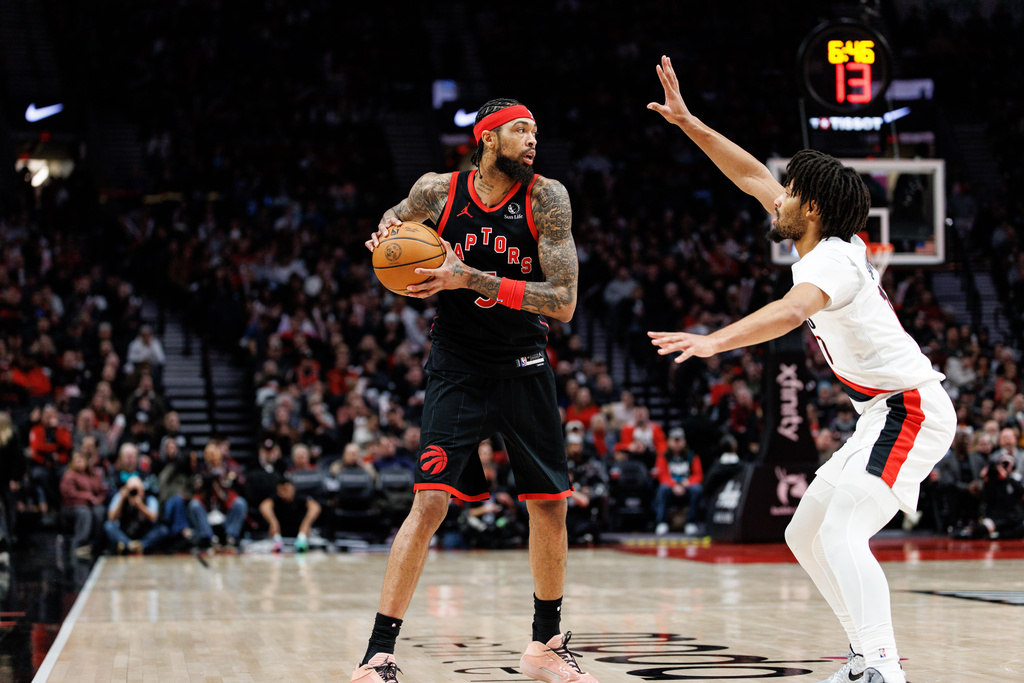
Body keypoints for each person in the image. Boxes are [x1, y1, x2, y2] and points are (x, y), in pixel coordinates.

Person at [647, 56, 956, 683]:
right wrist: (689, 122)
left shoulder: (832, 266)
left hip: (912, 411)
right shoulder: (820, 241)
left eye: (789, 194)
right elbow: (751, 175)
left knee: (843, 531)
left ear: (809, 208)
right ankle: (862, 658)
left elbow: (791, 312)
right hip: (883, 412)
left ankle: (883, 667)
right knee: (805, 533)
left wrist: (713, 342)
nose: (776, 198)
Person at [354, 98, 597, 683]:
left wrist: (470, 277)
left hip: (525, 359)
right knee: (429, 501)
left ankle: (545, 644)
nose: (532, 139)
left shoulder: (547, 198)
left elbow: (562, 301)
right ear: (488, 138)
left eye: (536, 130)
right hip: (458, 362)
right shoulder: (438, 192)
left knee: (550, 505)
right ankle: (378, 653)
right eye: (520, 129)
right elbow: (394, 218)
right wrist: (387, 243)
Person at [651, 427, 704, 536]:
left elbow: (698, 475)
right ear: (669, 442)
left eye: (679, 440)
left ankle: (691, 522)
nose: (677, 443)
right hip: (671, 488)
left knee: (697, 489)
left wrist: (687, 483)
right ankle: (662, 522)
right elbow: (662, 476)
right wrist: (674, 485)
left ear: (684, 441)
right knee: (663, 488)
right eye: (674, 440)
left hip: (687, 487)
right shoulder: (663, 456)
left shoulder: (692, 456)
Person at [58, 451, 108, 558]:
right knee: (84, 512)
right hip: (72, 507)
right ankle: (79, 544)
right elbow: (69, 494)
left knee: (100, 511)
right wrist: (88, 497)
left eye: (81, 459)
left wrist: (98, 499)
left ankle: (96, 544)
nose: (79, 462)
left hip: (91, 505)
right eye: (77, 460)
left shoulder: (93, 475)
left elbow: (101, 491)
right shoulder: (69, 475)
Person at [259, 475, 322, 552]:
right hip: (280, 535)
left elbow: (315, 507)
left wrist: (306, 523)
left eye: (286, 489)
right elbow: (264, 506)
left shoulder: (300, 498)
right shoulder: (275, 499)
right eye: (281, 490)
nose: (283, 493)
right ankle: (277, 542)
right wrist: (273, 523)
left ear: (292, 488)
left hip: (300, 535)